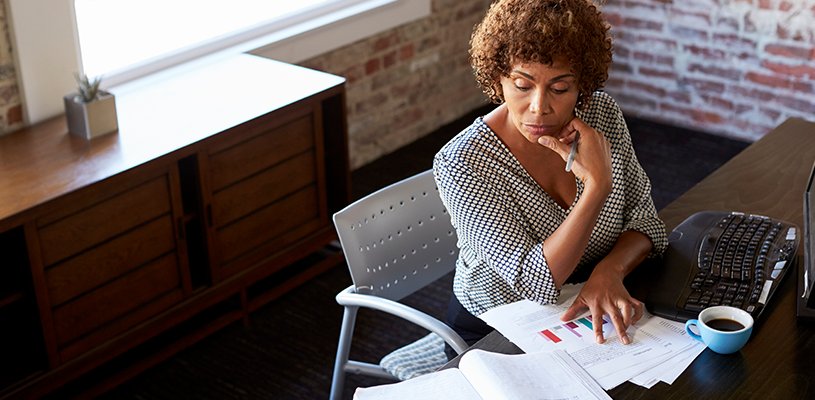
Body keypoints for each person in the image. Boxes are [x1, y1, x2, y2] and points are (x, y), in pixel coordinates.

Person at [434, 0, 668, 361]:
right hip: (497, 326)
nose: (539, 107)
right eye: (522, 85)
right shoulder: (463, 162)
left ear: (581, 88)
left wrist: (609, 269)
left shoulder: (602, 115)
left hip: (593, 296)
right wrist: (597, 187)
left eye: (559, 89)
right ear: (497, 78)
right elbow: (535, 281)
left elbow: (646, 222)